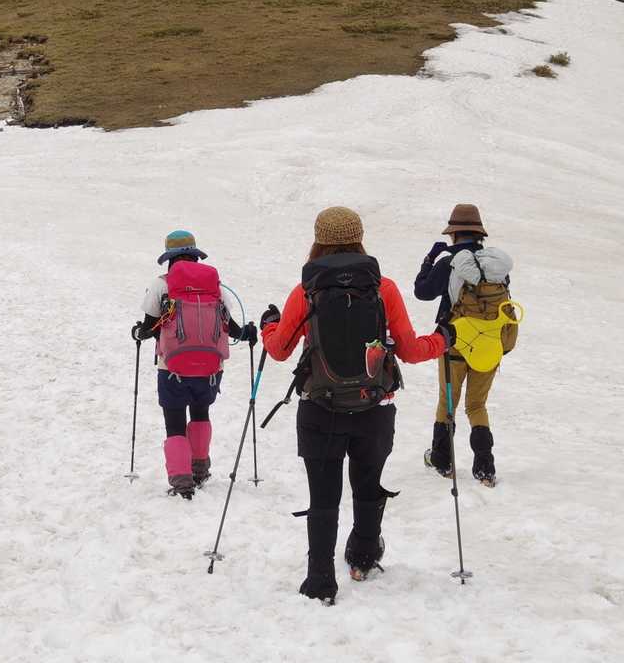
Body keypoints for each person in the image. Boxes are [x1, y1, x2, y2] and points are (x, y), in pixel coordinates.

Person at [260, 207, 451, 603]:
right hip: (373, 408)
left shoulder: (306, 291)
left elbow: (279, 350)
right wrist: (443, 339)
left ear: (318, 241)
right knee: (367, 485)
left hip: (320, 408)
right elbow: (411, 350)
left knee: (323, 496)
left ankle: (320, 581)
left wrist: (269, 325)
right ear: (360, 239)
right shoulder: (384, 288)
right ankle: (363, 557)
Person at [131, 230, 258, 499]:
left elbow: (149, 328)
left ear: (169, 258)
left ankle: (182, 482)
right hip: (210, 368)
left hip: (172, 368)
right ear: (196, 255)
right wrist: (248, 333)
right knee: (201, 414)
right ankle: (199, 470)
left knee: (175, 422)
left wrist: (138, 333)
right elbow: (232, 328)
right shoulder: (215, 286)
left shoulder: (161, 285)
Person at [415, 203, 515, 486]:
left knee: (448, 402)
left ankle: (442, 460)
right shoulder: (495, 266)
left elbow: (422, 292)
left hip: (455, 343)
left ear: (454, 233)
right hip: (489, 344)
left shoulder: (450, 262)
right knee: (477, 405)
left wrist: (429, 259)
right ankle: (485, 468)